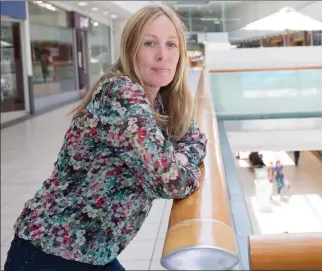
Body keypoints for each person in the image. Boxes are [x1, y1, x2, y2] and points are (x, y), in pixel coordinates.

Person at [4, 5, 207, 271]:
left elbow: (196, 138)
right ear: (130, 48)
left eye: (171, 44)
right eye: (150, 43)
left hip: (93, 253)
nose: (163, 55)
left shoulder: (162, 99)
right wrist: (180, 164)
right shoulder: (121, 92)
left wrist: (180, 157)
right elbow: (171, 182)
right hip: (49, 255)